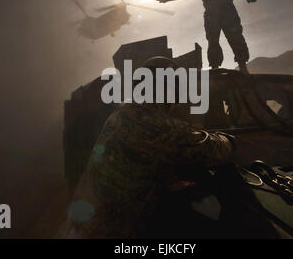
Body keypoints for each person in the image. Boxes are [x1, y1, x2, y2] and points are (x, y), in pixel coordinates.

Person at [63, 58, 236, 238]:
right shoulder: (156, 125)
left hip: (86, 225)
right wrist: (229, 139)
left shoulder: (125, 111)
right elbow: (218, 151)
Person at [155, 0, 256, 73]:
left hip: (213, 15)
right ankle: (242, 66)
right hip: (227, 13)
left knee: (214, 41)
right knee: (235, 38)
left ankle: (216, 67)